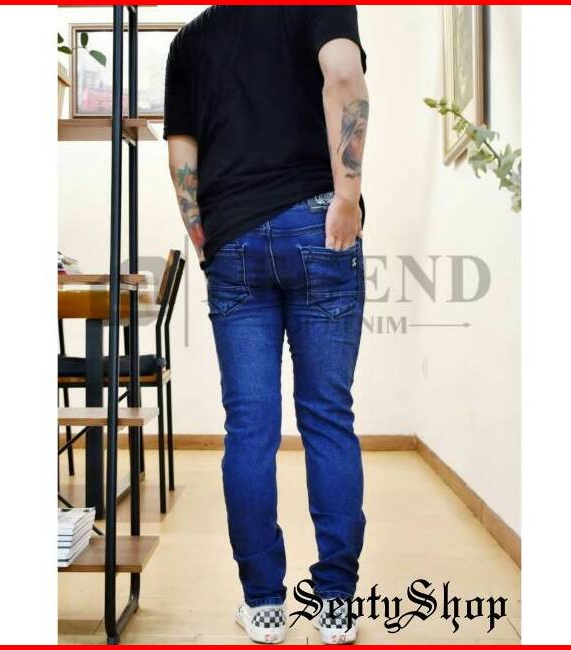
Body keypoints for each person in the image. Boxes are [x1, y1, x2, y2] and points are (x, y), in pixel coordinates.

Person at [164, 6, 369, 645]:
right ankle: (335, 607)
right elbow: (344, 75)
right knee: (328, 416)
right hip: (319, 224)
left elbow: (181, 155)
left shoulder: (190, 40)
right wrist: (347, 195)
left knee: (249, 427)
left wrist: (203, 238)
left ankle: (264, 606)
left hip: (233, 237)